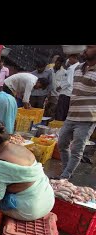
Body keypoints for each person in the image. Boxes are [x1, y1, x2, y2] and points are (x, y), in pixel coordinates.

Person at [55, 45, 96, 180]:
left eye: (89, 47)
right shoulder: (78, 68)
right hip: (71, 115)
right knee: (62, 143)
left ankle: (65, 176)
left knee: (76, 149)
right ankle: (66, 173)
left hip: (87, 118)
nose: (85, 50)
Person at [55, 53, 80, 121]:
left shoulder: (72, 69)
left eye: (70, 58)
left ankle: (58, 127)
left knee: (61, 112)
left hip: (66, 93)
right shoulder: (78, 67)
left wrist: (60, 87)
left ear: (75, 58)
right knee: (65, 112)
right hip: (70, 93)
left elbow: (68, 82)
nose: (69, 60)